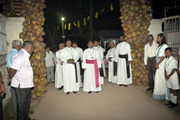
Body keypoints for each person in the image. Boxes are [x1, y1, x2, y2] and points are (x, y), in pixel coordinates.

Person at [9, 41, 35, 120]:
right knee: (21, 104)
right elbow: (13, 69)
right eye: (31, 48)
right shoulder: (20, 56)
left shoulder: (25, 55)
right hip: (21, 85)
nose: (33, 50)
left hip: (26, 84)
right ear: (27, 48)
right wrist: (10, 77)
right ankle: (21, 118)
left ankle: (26, 118)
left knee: (26, 103)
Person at [6, 40, 22, 115]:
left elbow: (7, 67)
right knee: (20, 96)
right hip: (18, 77)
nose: (21, 47)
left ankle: (16, 112)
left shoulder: (9, 54)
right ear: (17, 46)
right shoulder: (17, 54)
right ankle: (21, 113)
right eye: (21, 45)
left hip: (12, 76)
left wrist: (10, 76)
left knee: (14, 96)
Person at [152, 33, 168, 100]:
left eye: (158, 37)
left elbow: (163, 57)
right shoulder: (158, 46)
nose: (157, 38)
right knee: (157, 79)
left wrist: (158, 64)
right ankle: (158, 93)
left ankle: (164, 93)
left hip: (161, 64)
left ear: (161, 38)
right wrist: (156, 63)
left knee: (162, 79)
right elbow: (156, 56)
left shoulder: (165, 46)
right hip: (158, 64)